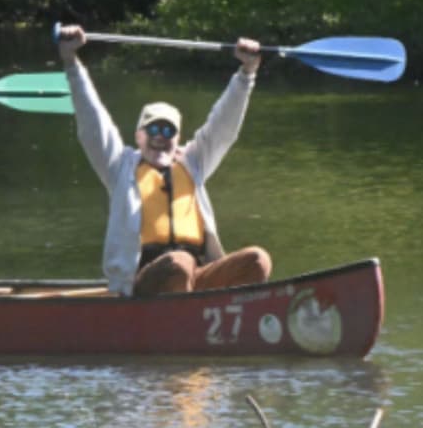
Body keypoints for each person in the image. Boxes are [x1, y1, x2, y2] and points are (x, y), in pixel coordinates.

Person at [57, 24, 272, 298]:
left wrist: (247, 73)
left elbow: (223, 126)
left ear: (177, 137)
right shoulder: (120, 166)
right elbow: (92, 120)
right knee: (177, 264)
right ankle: (180, 324)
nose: (160, 137)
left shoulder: (193, 162)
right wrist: (71, 62)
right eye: (153, 130)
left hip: (197, 274)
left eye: (168, 130)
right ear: (139, 135)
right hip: (145, 281)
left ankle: (221, 323)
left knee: (257, 259)